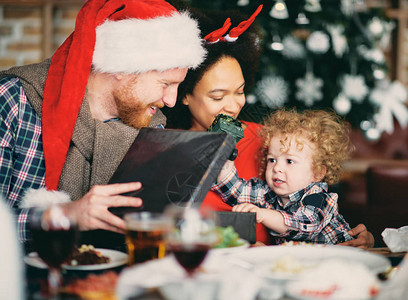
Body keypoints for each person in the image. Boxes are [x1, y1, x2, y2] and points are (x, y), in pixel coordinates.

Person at [0, 0, 206, 249]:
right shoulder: (13, 101)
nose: (171, 101)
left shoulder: (150, 125)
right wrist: (64, 215)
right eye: (165, 84)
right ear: (124, 68)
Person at [163, 6, 374, 248]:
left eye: (240, 92)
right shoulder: (163, 147)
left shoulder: (270, 141)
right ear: (184, 94)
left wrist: (357, 239)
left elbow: (307, 213)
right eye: (218, 96)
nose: (232, 106)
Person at [212, 109, 354, 245]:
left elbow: (305, 225)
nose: (277, 168)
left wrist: (263, 214)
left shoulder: (319, 198)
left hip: (338, 260)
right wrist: (226, 159)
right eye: (272, 160)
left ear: (317, 172)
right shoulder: (269, 194)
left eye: (289, 161)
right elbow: (236, 190)